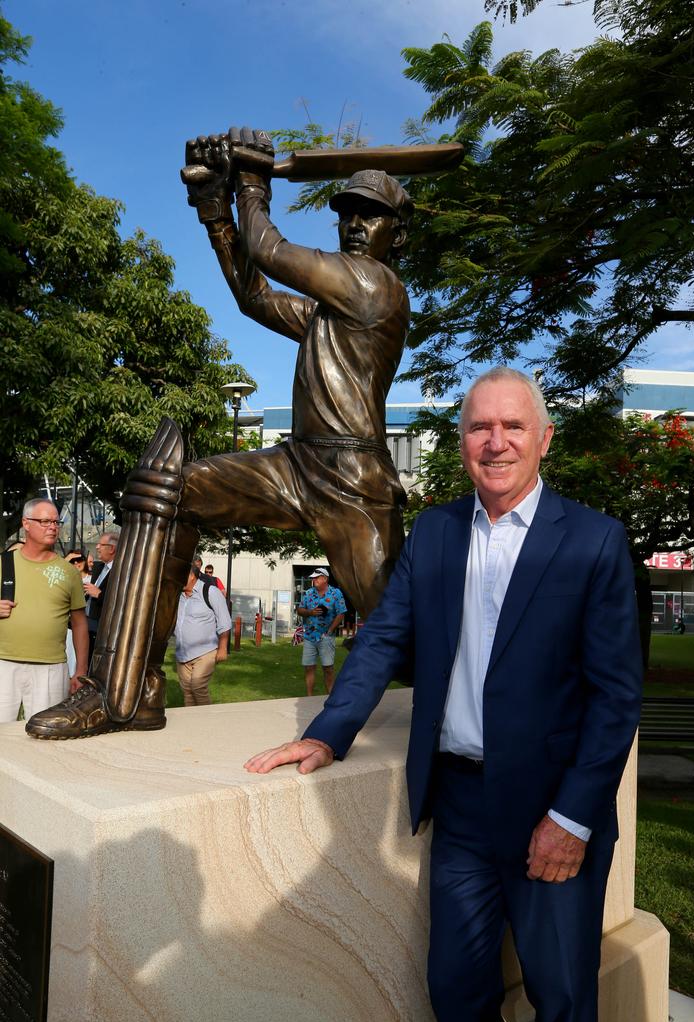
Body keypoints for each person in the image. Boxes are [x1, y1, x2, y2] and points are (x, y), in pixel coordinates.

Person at [245, 368, 643, 1022]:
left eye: (513, 426)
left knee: (563, 999)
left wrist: (571, 821)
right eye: (479, 427)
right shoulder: (435, 532)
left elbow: (616, 698)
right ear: (461, 442)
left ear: (544, 439)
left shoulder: (593, 541)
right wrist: (328, 729)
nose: (496, 442)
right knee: (455, 993)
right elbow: (383, 639)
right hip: (459, 808)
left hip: (552, 807)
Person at [26, 126, 412, 739]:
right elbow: (253, 295)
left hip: (352, 480)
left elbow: (270, 251)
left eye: (374, 215)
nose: (357, 224)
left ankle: (475, 714)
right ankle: (130, 689)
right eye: (349, 213)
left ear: (397, 232)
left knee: (402, 635)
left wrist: (251, 181)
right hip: (295, 465)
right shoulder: (326, 313)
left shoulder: (376, 287)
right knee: (171, 490)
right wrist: (215, 208)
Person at [0, 499, 89, 722]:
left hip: (50, 669)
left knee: (45, 736)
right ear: (26, 523)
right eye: (45, 521)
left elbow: (79, 623)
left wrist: (80, 669)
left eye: (56, 522)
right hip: (3, 664)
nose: (53, 527)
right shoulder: (3, 564)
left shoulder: (68, 572)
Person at [174, 564, 231, 706]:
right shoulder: (177, 595)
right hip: (182, 652)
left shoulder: (210, 591)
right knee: (187, 691)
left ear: (192, 576)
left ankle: (207, 723)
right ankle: (192, 724)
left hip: (205, 651)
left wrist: (223, 648)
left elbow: (224, 621)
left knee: (198, 686)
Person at [296, 568, 347, 695]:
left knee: (328, 668)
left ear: (325, 578)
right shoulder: (308, 593)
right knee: (309, 667)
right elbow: (300, 610)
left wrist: (330, 630)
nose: (313, 580)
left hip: (326, 637)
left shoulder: (336, 593)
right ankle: (309, 697)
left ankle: (330, 698)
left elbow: (341, 613)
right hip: (309, 637)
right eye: (313, 578)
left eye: (316, 578)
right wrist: (309, 612)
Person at [84, 531, 120, 664]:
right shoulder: (99, 567)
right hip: (88, 625)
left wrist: (99, 594)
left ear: (112, 549)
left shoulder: (120, 571)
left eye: (101, 544)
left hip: (103, 629)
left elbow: (120, 599)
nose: (97, 547)